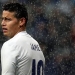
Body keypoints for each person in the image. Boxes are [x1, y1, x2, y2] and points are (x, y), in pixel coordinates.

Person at [1, 2, 45, 75]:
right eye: (2, 19)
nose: (3, 23)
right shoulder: (36, 45)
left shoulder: (11, 45)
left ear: (21, 21)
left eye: (8, 19)